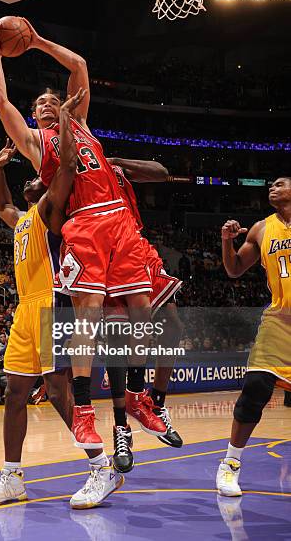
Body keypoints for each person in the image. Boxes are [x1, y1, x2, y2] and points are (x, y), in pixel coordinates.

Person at [0, 21, 155, 452]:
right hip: (85, 226)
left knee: (144, 313)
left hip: (119, 221)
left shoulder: (80, 123)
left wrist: (37, 41)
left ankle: (136, 394)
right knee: (85, 327)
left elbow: (78, 63)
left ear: (66, 105)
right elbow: (0, 100)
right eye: (38, 103)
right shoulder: (39, 143)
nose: (43, 103)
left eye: (51, 99)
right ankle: (90, 426)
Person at [0, 90, 122, 510]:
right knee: (14, 392)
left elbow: (69, 167)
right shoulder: (22, 220)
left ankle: (101, 467)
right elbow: (1, 203)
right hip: (25, 309)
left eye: (38, 176)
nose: (32, 179)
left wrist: (61, 121)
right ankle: (12, 477)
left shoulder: (48, 211)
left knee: (59, 390)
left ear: (46, 182)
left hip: (51, 302)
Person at [103, 157, 184, 472]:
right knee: (118, 342)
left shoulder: (111, 167)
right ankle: (121, 428)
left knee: (173, 326)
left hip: (135, 245)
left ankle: (157, 403)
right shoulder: (77, 173)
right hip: (104, 250)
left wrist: (114, 162)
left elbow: (162, 172)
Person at [216, 177, 291, 496]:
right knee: (255, 388)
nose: (272, 187)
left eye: (281, 183)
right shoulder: (261, 229)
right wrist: (226, 241)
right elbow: (234, 270)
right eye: (270, 185)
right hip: (279, 321)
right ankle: (230, 466)